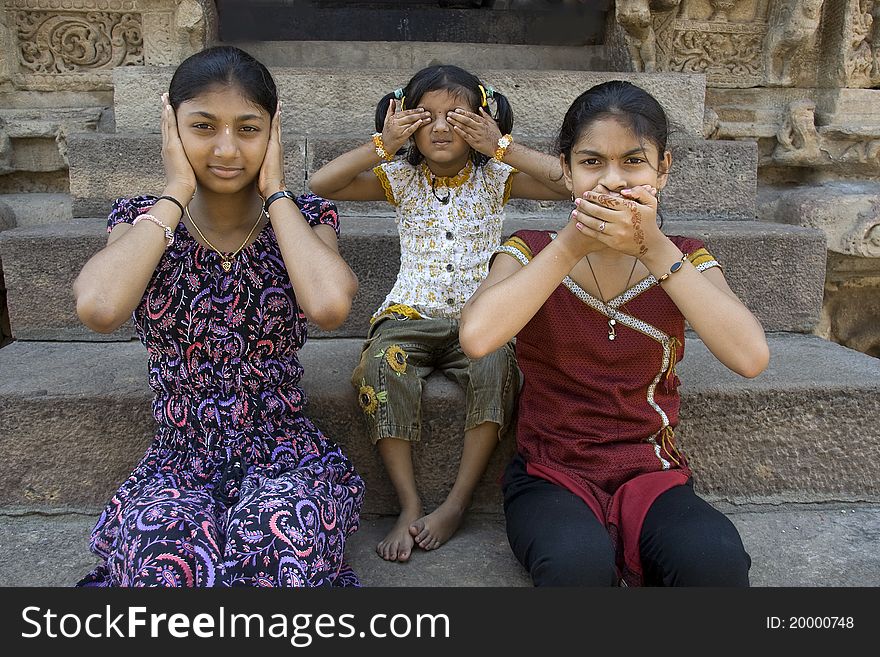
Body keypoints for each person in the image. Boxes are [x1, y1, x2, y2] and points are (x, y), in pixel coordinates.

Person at [72, 46, 365, 587]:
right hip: (178, 458)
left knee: (278, 563)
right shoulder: (143, 220)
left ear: (273, 132)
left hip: (282, 453)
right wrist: (176, 190)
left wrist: (276, 192)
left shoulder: (306, 218)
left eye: (248, 129)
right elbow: (98, 307)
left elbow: (329, 305)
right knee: (164, 573)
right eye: (203, 126)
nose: (227, 149)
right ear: (171, 126)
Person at [459, 80, 769, 586]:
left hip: (650, 473)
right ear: (565, 168)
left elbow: (750, 357)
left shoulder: (684, 257)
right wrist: (569, 247)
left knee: (715, 561)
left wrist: (653, 248)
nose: (612, 181)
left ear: (663, 169)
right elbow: (477, 337)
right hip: (550, 473)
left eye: (633, 162)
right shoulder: (531, 248)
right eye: (591, 163)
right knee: (574, 568)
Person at [309, 64, 569, 562]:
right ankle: (409, 503)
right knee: (381, 368)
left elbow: (570, 184)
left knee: (496, 365)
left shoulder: (497, 177)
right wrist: (381, 144)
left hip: (478, 320)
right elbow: (323, 184)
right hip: (407, 316)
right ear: (404, 121)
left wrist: (503, 147)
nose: (442, 127)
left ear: (484, 122)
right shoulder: (400, 178)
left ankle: (455, 502)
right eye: (424, 116)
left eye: (458, 116)